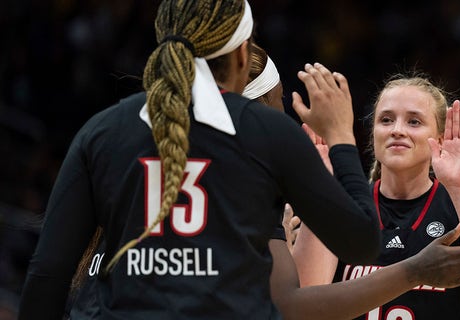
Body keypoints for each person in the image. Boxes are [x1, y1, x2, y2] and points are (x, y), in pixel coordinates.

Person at [17, 0, 386, 318]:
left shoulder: (100, 132)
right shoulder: (268, 136)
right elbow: (362, 242)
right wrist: (340, 137)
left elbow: (47, 276)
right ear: (242, 53)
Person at [242, 47, 460, 319]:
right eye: (386, 120)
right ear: (371, 135)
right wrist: (323, 187)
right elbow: (305, 301)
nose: (397, 129)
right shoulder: (349, 205)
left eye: (414, 121)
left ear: (440, 139)